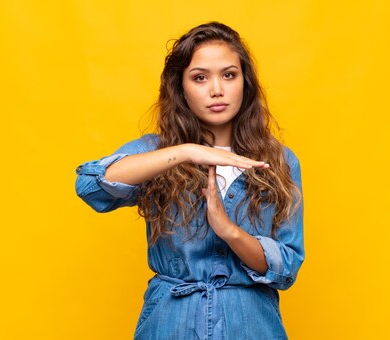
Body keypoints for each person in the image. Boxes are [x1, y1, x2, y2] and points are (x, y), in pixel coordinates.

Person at [75, 22, 304, 340]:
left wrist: (230, 232)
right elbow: (90, 185)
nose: (216, 90)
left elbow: (287, 266)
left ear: (245, 82)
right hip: (173, 322)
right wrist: (185, 151)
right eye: (200, 77)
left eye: (229, 75)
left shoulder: (280, 160)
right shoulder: (157, 152)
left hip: (251, 324)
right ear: (181, 87)